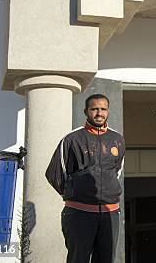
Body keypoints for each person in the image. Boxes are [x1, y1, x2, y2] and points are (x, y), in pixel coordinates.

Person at [45, 93, 125, 263]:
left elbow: (116, 171)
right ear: (86, 111)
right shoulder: (71, 139)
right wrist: (75, 193)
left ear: (108, 111)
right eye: (94, 109)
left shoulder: (117, 139)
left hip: (111, 213)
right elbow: (54, 174)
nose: (99, 113)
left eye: (103, 109)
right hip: (79, 214)